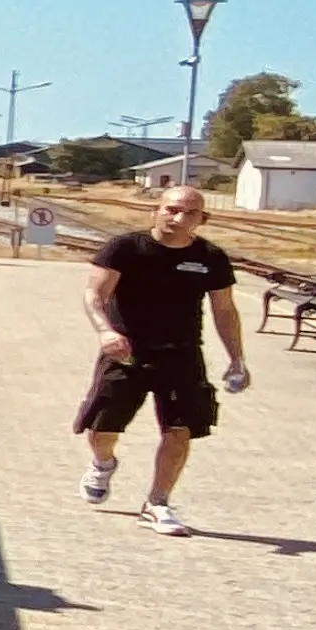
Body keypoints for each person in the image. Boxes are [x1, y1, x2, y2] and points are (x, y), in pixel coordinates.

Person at [79, 183, 250, 535]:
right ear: (156, 210)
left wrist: (237, 358)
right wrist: (105, 331)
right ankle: (103, 462)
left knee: (180, 430)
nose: (178, 217)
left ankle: (157, 503)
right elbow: (94, 293)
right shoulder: (125, 248)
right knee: (103, 429)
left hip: (182, 355)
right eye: (171, 209)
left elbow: (224, 309)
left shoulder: (210, 258)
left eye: (189, 213)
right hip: (127, 353)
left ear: (202, 219)